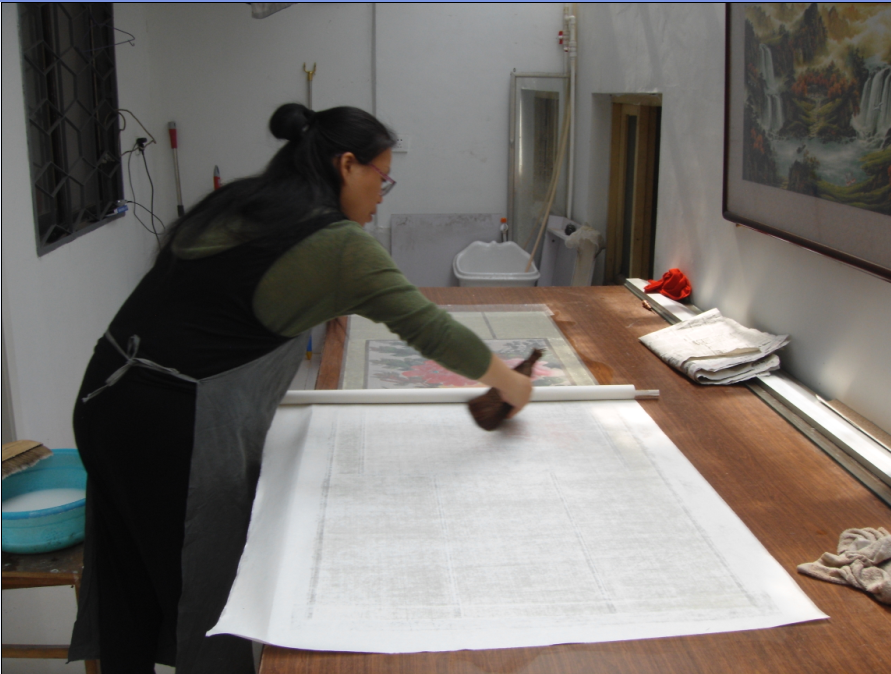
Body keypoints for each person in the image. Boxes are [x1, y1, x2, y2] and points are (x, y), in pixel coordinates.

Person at [68, 103, 532, 673]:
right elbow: (428, 327)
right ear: (346, 165)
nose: (383, 196)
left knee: (131, 579)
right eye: (382, 178)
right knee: (207, 590)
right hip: (170, 426)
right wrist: (510, 382)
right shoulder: (338, 246)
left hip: (105, 396)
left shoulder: (247, 202)